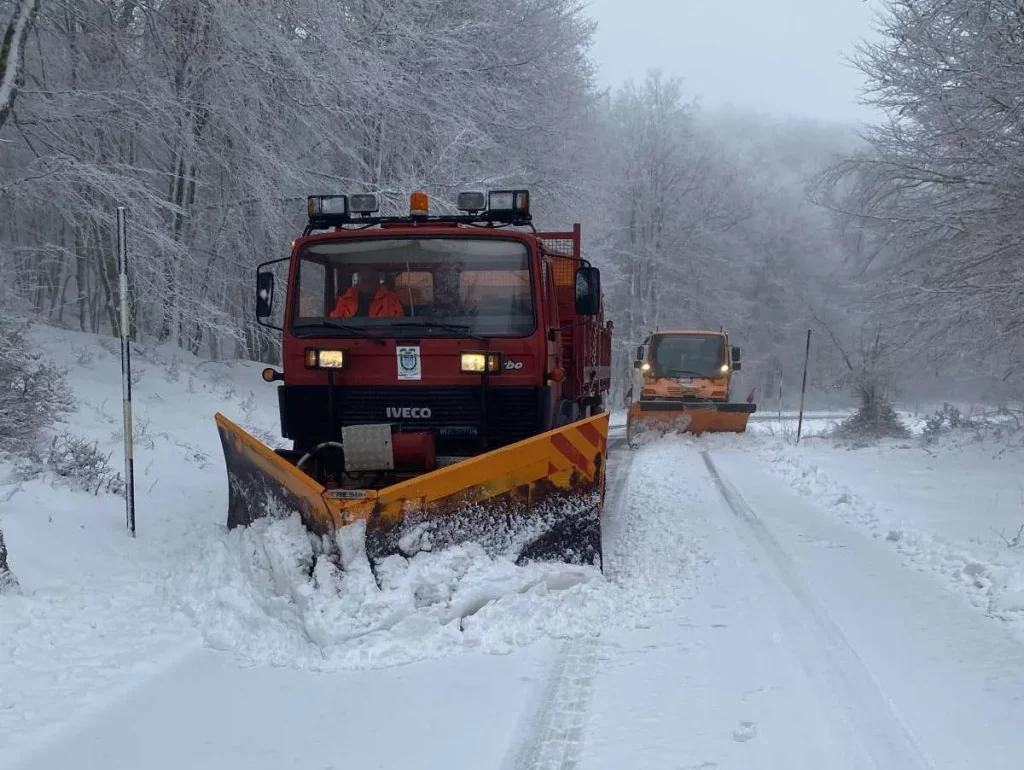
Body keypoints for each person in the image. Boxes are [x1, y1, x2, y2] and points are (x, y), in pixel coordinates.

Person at [330, 266, 405, 318]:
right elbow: (334, 325)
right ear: (359, 278)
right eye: (363, 279)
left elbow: (397, 327)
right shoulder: (345, 300)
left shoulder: (391, 300)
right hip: (348, 338)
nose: (366, 282)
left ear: (377, 278)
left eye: (369, 278)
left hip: (380, 339)